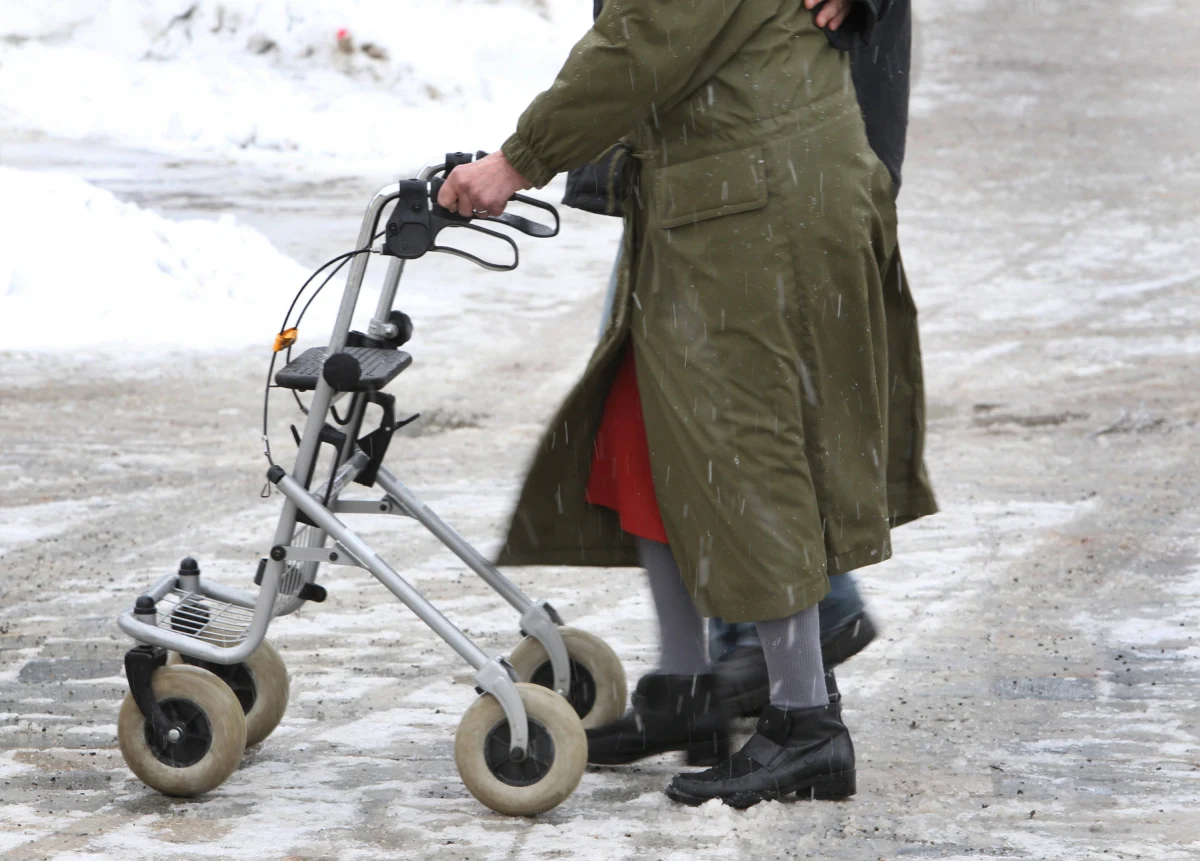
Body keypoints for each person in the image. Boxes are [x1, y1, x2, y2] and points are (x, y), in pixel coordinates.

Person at [440, 0, 916, 807]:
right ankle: (689, 685)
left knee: (748, 448)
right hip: (715, 183)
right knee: (641, 427)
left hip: (761, 193)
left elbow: (645, 39)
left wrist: (517, 160)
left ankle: (807, 721)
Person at [709, 0, 936, 718]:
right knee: (697, 401)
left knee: (721, 404)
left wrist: (529, 153)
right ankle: (729, 661)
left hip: (785, 135)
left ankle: (771, 659)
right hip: (717, 132)